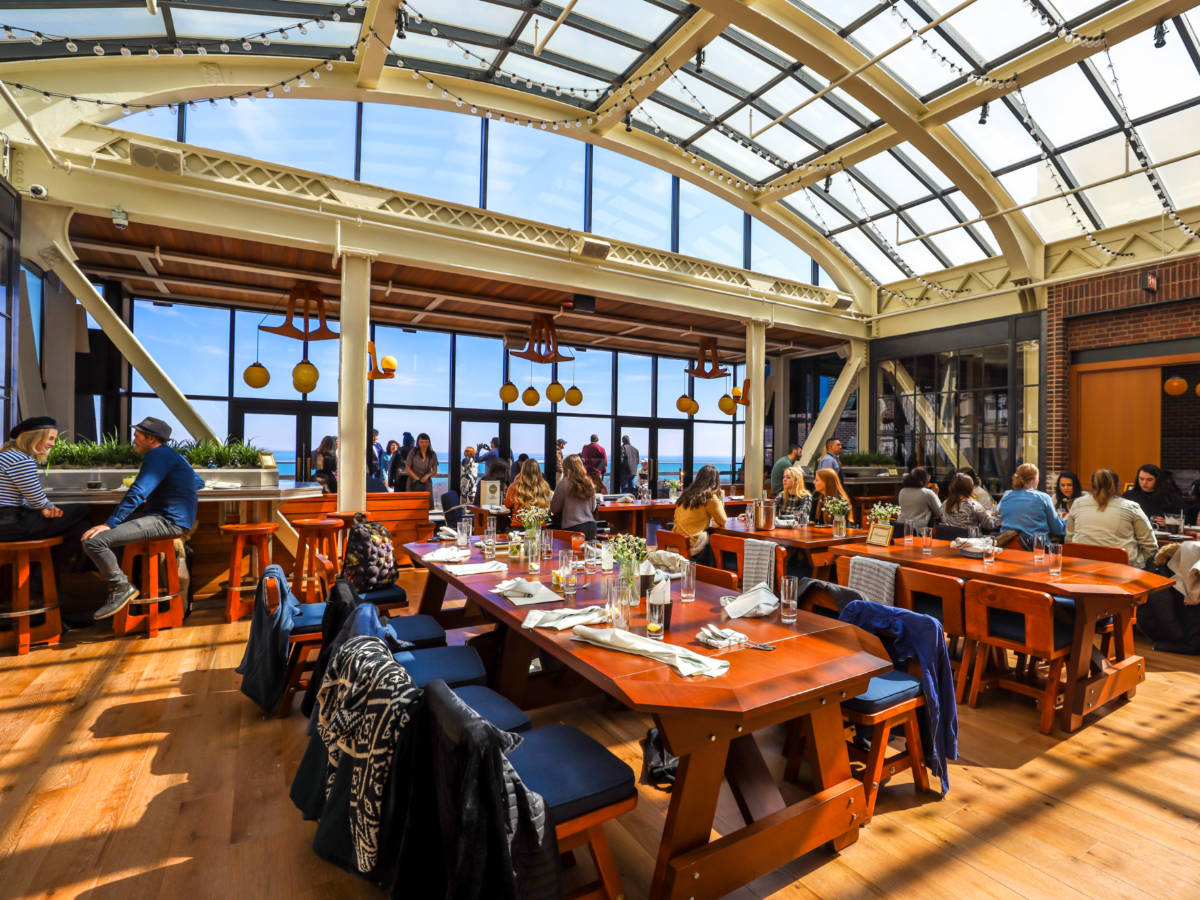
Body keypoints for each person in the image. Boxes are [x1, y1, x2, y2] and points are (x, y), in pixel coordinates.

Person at [82, 417, 204, 620]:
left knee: (93, 541)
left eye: (137, 436)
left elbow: (138, 491)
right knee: (103, 535)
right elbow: (198, 482)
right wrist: (167, 486)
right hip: (170, 519)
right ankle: (122, 584)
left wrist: (110, 523)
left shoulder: (157, 456)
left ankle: (121, 586)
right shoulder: (172, 455)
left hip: (166, 521)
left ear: (151, 439)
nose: (133, 441)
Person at [0, 416, 91, 544]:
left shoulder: (7, 456)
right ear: (34, 438)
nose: (53, 444)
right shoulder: (21, 460)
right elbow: (36, 500)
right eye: (50, 438)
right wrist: (50, 508)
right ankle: (78, 556)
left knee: (78, 525)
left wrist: (44, 508)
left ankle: (70, 557)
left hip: (7, 523)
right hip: (9, 523)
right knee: (82, 509)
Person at [1066, 468, 1157, 567]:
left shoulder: (1078, 504)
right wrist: (1148, 566)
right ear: (1117, 485)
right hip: (1124, 569)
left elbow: (1069, 538)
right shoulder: (1130, 507)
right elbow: (1149, 543)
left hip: (1082, 567)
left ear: (1092, 485)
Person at [996, 463, 1063, 546]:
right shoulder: (1043, 498)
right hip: (1036, 549)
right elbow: (1057, 529)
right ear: (1034, 479)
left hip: (1009, 547)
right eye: (1038, 478)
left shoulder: (1006, 498)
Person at [671, 464, 726, 562]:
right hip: (693, 544)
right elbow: (722, 520)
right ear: (716, 481)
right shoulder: (709, 497)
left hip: (677, 541)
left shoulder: (686, 494)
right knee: (719, 543)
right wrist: (720, 500)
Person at [550, 454, 598, 541]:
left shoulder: (564, 484)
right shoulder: (589, 483)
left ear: (566, 468)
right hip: (591, 527)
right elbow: (593, 507)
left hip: (573, 529)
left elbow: (554, 509)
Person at [404, 433, 438, 501]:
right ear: (418, 442)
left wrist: (427, 475)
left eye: (426, 442)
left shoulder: (432, 454)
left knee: (426, 504)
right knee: (413, 503)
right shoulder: (413, 452)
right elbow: (407, 468)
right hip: (413, 482)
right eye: (421, 442)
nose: (424, 444)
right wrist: (417, 479)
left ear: (429, 443)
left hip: (426, 483)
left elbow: (434, 470)